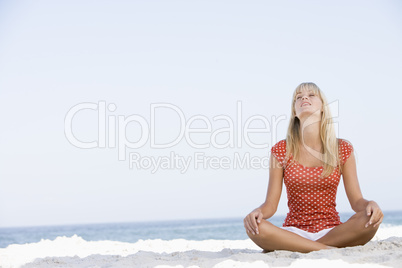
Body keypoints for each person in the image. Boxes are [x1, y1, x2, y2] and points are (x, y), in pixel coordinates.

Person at [243, 82, 383, 253]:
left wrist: (371, 204)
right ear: (294, 112)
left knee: (368, 218)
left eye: (311, 95)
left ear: (323, 107)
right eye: (298, 97)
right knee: (256, 226)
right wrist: (257, 212)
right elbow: (270, 205)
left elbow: (357, 202)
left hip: (332, 231)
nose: (304, 98)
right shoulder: (281, 150)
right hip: (293, 232)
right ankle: (324, 249)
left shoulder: (342, 149)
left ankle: (306, 248)